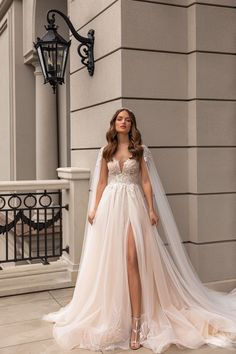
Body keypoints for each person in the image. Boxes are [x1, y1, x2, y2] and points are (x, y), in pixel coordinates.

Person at [42, 108, 236, 353]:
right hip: (110, 207)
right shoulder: (105, 151)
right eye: (120, 119)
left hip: (134, 205)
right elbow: (102, 182)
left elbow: (145, 181)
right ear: (114, 124)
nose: (124, 122)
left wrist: (152, 209)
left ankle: (137, 323)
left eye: (128, 120)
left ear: (132, 125)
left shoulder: (141, 151)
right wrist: (94, 209)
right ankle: (117, 317)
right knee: (112, 261)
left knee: (133, 258)